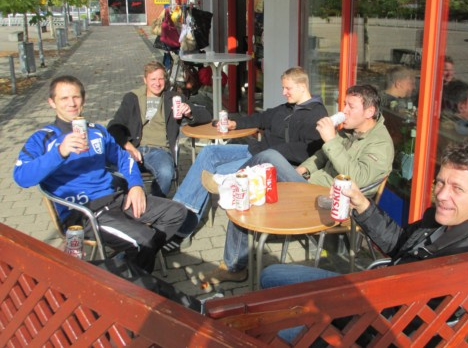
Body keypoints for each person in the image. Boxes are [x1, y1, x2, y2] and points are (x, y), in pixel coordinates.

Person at [260, 143, 468, 341]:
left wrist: (328, 307)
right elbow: (399, 243)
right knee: (271, 275)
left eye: (457, 188)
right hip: (368, 295)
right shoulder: (444, 221)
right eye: (440, 182)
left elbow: (411, 324)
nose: (441, 195)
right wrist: (362, 205)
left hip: (372, 326)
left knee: (268, 327)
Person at [204, 84, 394, 285]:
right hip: (310, 186)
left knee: (270, 157)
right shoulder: (351, 131)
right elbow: (322, 155)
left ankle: (228, 184)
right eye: (344, 104)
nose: (343, 110)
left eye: (350, 106)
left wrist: (331, 140)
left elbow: (356, 179)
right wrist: (301, 170)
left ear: (369, 112)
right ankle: (234, 265)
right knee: (247, 193)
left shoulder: (380, 144)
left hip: (332, 201)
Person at [13, 75, 187, 273]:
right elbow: (21, 176)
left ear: (83, 100)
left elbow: (124, 158)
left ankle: (126, 263)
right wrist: (59, 152)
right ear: (52, 103)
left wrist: (136, 185)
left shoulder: (97, 131)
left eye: (76, 97)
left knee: (177, 212)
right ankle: (131, 279)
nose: (72, 103)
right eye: (64, 98)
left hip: (115, 199)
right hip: (84, 212)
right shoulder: (43, 139)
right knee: (144, 241)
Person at [173, 67, 328, 237]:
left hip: (275, 164)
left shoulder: (317, 114)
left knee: (217, 171)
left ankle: (183, 226)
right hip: (257, 150)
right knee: (209, 152)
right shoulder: (288, 107)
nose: (284, 92)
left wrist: (272, 152)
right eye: (283, 88)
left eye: (287, 88)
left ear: (302, 87)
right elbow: (262, 118)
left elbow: (309, 151)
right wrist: (235, 123)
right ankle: (178, 213)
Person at [107, 61, 211, 197]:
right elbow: (113, 126)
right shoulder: (132, 98)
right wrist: (128, 146)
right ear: (145, 80)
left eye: (160, 79)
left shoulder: (174, 98)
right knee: (113, 173)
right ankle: (127, 203)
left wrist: (189, 112)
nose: (157, 83)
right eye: (153, 79)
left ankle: (155, 203)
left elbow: (206, 116)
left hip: (159, 151)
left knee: (166, 173)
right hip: (134, 148)